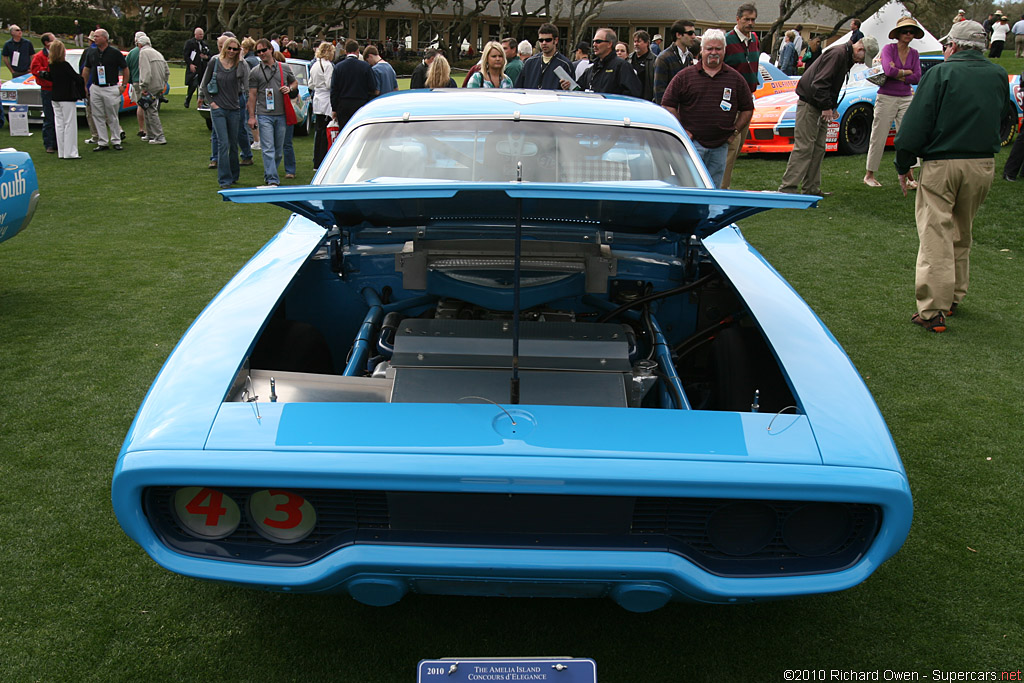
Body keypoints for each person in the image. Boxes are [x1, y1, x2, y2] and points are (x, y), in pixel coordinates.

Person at [894, 21, 1012, 333]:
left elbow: (915, 126)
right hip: (983, 163)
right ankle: (954, 295)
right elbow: (1002, 116)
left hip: (943, 162)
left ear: (955, 46)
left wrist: (903, 163)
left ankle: (933, 310)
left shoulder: (941, 73)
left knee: (936, 234)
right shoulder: (999, 74)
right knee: (962, 229)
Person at [778, 37, 874, 195]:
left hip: (817, 104)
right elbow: (820, 83)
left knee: (818, 148)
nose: (861, 62)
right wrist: (826, 107)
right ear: (860, 50)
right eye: (863, 58)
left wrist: (830, 106)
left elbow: (827, 84)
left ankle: (811, 188)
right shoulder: (838, 54)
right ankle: (787, 189)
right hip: (810, 104)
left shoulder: (843, 55)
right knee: (804, 147)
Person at [662, 28, 754, 187]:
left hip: (721, 146)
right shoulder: (685, 76)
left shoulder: (735, 78)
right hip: (692, 144)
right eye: (709, 48)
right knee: (689, 186)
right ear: (701, 50)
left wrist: (735, 132)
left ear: (724, 50)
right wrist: (683, 131)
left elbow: (748, 108)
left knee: (714, 188)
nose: (713, 52)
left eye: (718, 49)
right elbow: (667, 104)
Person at [863, 18, 922, 189]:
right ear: (898, 34)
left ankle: (909, 176)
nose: (908, 34)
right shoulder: (888, 49)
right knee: (878, 136)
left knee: (908, 136)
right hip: (886, 97)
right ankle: (869, 175)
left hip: (906, 97)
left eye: (911, 31)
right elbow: (887, 71)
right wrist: (906, 73)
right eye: (905, 31)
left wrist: (898, 73)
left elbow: (917, 76)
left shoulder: (914, 53)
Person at [248, 38, 297, 187]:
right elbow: (252, 95)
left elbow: (294, 82)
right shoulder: (255, 71)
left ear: (271, 50)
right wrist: (251, 117)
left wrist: (290, 88)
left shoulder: (284, 67)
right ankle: (272, 179)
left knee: (278, 151)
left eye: (264, 50)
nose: (261, 54)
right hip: (264, 114)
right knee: (268, 147)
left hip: (281, 114)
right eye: (258, 52)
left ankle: (270, 173)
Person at [201, 35, 248, 187]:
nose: (232, 51)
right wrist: (212, 103)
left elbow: (243, 79)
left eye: (235, 49)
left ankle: (234, 175)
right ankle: (224, 179)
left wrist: (240, 59)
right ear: (224, 48)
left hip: (234, 108)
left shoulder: (239, 65)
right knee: (223, 143)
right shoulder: (214, 62)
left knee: (233, 144)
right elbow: (204, 85)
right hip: (219, 109)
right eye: (229, 48)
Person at [722, 3, 760, 189]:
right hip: (730, 102)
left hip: (748, 100)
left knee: (738, 148)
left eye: (753, 20)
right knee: (731, 146)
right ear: (737, 19)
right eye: (746, 19)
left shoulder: (754, 40)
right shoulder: (727, 41)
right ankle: (722, 189)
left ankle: (723, 184)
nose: (750, 23)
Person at [81, 29, 129, 152]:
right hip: (96, 87)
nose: (94, 38)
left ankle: (116, 140)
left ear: (105, 38)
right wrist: (85, 85)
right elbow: (86, 69)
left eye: (97, 36)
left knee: (112, 115)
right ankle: (102, 142)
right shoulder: (91, 52)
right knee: (97, 115)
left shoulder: (114, 53)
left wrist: (123, 85)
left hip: (111, 87)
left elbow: (125, 68)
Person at [40, 41, 82, 159]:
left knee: (59, 124)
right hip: (66, 97)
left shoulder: (52, 66)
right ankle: (70, 152)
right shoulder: (65, 65)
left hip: (55, 97)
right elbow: (77, 78)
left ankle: (62, 151)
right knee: (69, 124)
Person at [575, 28, 641, 96]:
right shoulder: (592, 68)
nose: (594, 45)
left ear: (609, 44)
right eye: (593, 41)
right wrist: (568, 86)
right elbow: (579, 90)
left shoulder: (622, 66)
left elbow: (632, 93)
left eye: (598, 41)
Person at [331, 39, 377, 135]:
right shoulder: (365, 67)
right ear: (357, 51)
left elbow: (334, 90)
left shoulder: (338, 67)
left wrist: (334, 108)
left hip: (343, 104)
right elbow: (372, 87)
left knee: (344, 133)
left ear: (346, 51)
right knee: (360, 133)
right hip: (360, 104)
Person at [653, 19, 697, 105]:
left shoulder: (689, 56)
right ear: (678, 35)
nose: (694, 36)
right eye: (690, 33)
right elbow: (659, 91)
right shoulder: (663, 58)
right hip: (669, 111)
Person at [516, 24, 573, 90]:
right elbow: (518, 89)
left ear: (556, 40)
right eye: (541, 40)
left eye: (548, 40)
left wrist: (566, 89)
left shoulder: (565, 65)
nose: (544, 43)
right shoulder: (529, 62)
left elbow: (573, 93)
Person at [137, 34, 169, 146]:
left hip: (150, 85)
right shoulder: (157, 53)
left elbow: (145, 71)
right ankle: (150, 134)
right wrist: (163, 84)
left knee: (151, 110)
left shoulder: (143, 53)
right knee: (147, 109)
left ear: (139, 44)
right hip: (159, 85)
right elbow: (167, 71)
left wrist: (144, 86)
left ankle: (159, 136)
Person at [29, 33, 58, 154]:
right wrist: (49, 73)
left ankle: (58, 142)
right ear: (47, 43)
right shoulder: (39, 56)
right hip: (47, 90)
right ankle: (49, 144)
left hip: (58, 89)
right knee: (49, 117)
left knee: (59, 118)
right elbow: (35, 70)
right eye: (53, 39)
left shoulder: (58, 54)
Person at [309, 41, 335, 170]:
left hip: (317, 98)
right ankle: (323, 160)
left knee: (318, 131)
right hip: (325, 99)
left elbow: (310, 84)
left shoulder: (314, 65)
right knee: (325, 131)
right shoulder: (328, 65)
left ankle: (316, 161)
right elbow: (330, 84)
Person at [183, 28, 211, 107]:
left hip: (203, 68)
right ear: (195, 34)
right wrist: (190, 64)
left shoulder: (204, 44)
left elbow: (210, 56)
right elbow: (186, 55)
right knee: (193, 85)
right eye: (199, 34)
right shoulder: (190, 43)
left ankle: (202, 101)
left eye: (202, 34)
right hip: (194, 67)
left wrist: (206, 57)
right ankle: (188, 100)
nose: (201, 36)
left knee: (203, 85)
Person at [126, 32, 146, 140]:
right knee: (146, 106)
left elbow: (126, 68)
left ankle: (141, 128)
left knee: (140, 105)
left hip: (135, 82)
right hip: (145, 82)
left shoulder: (131, 53)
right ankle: (146, 129)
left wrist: (129, 81)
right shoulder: (147, 52)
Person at [629, 31, 656, 101]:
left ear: (647, 43)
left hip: (646, 98)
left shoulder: (655, 60)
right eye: (634, 42)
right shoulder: (629, 59)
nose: (636, 44)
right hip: (630, 98)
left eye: (638, 41)